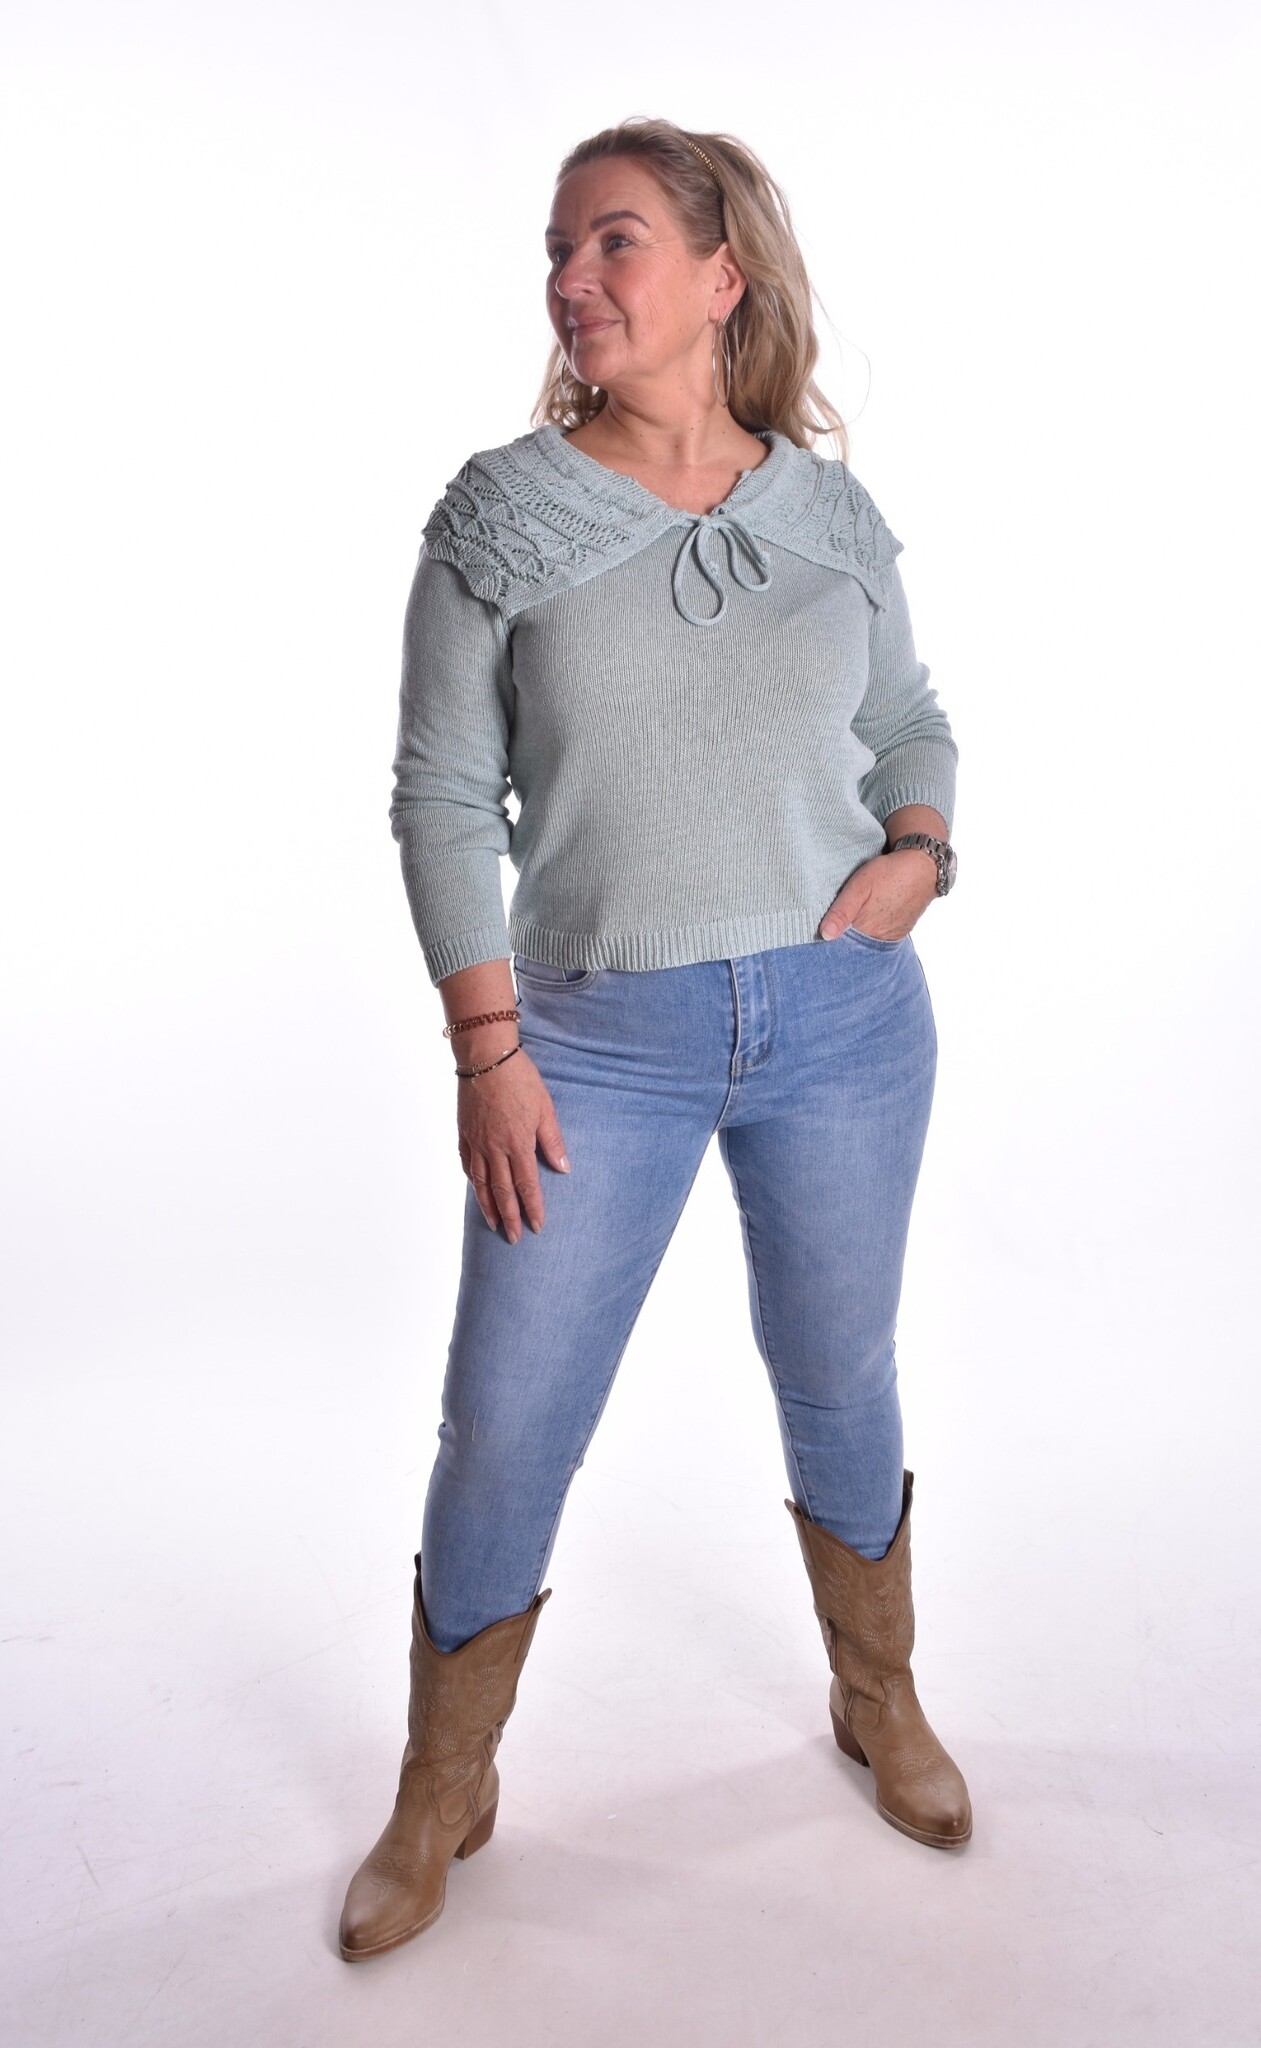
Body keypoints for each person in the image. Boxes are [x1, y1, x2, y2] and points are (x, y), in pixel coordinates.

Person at [338, 116, 972, 1964]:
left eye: (612, 240)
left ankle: (877, 1695)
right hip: (591, 1044)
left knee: (838, 1377)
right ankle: (443, 1784)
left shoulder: (826, 513)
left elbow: (910, 718)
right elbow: (439, 796)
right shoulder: (500, 517)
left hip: (843, 1019)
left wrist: (919, 850)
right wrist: (487, 1050)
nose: (570, 277)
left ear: (720, 276)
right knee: (509, 1418)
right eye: (558, 248)